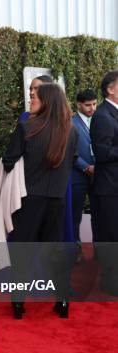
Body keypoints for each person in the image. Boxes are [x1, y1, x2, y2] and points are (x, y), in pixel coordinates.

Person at [3, 83, 79, 318]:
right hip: (57, 201)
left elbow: (8, 160)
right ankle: (63, 301)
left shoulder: (27, 127)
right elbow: (73, 160)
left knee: (22, 252)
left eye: (35, 96)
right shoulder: (72, 130)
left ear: (47, 100)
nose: (31, 100)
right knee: (54, 252)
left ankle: (17, 304)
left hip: (28, 200)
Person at [90, 70, 118, 295]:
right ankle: (110, 283)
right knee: (109, 236)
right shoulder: (102, 116)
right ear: (110, 89)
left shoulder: (113, 114)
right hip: (109, 188)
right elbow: (102, 153)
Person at [71, 89, 98, 255]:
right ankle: (75, 249)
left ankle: (99, 248)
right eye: (88, 105)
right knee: (75, 215)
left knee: (99, 213)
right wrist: (86, 167)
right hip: (78, 176)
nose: (92, 108)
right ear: (79, 104)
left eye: (94, 104)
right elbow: (69, 152)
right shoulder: (70, 123)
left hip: (99, 175)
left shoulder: (100, 120)